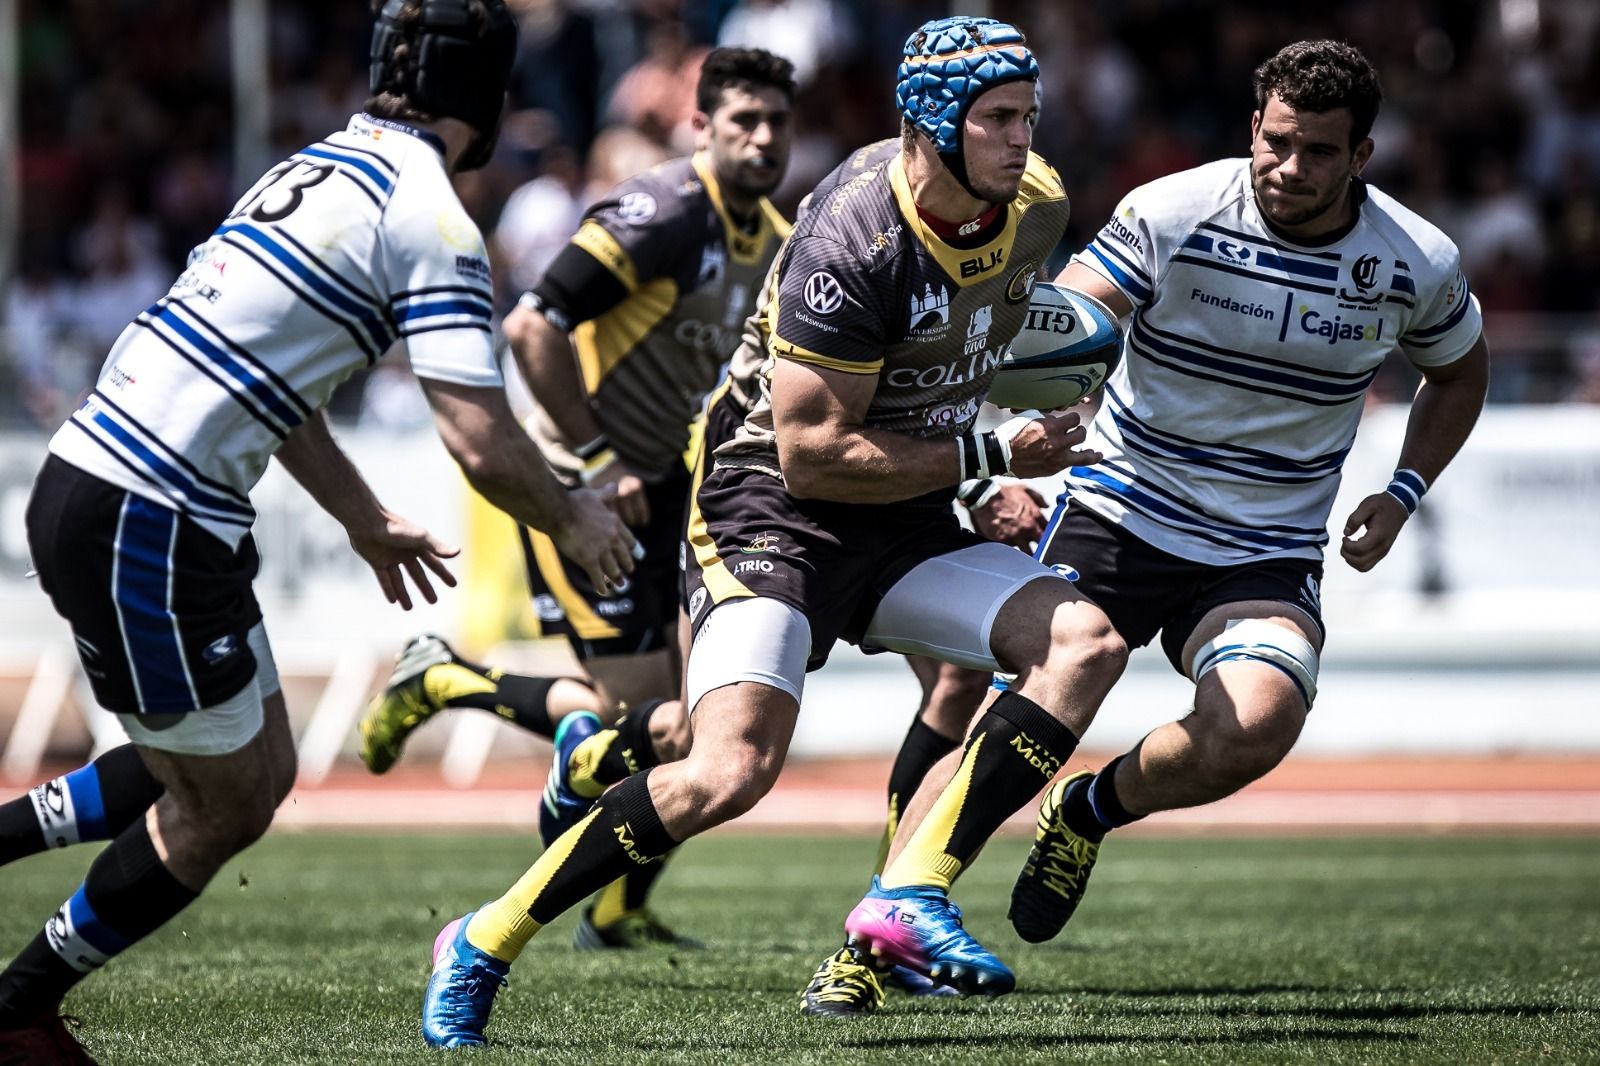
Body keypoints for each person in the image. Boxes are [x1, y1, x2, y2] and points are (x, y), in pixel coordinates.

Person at [415, 16, 1122, 1049]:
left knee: (1082, 642)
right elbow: (812, 453)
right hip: (769, 508)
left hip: (907, 512)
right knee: (727, 769)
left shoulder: (1035, 207)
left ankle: (910, 892)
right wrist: (991, 460)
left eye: (1028, 116)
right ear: (931, 123)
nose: (1024, 141)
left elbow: (957, 359)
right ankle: (480, 938)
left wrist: (973, 469)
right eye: (999, 119)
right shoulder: (849, 239)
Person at [0, 3, 636, 1061]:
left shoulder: (324, 167)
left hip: (124, 490)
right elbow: (477, 436)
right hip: (147, 518)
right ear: (485, 97)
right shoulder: (430, 214)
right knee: (219, 804)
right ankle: (17, 1008)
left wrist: (359, 515)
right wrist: (574, 515)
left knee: (250, 764)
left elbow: (266, 375)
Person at [806, 38, 1493, 1016]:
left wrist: (1407, 485)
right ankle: (869, 939)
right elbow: (1074, 318)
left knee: (1256, 723)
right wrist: (1048, 400)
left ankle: (1089, 806)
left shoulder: (1411, 260)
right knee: (1008, 716)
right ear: (1252, 127)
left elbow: (1460, 371)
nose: (1288, 168)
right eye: (1275, 141)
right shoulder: (1172, 211)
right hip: (1118, 512)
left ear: (1362, 156)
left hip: (1265, 545)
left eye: (1316, 152)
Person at [358, 46, 798, 948]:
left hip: (668, 486)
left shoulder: (779, 238)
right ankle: (449, 680)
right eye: (743, 120)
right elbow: (530, 326)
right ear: (701, 126)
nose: (762, 138)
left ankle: (614, 907)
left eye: (776, 122)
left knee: (695, 720)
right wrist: (596, 462)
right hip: (582, 482)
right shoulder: (664, 212)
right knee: (662, 725)